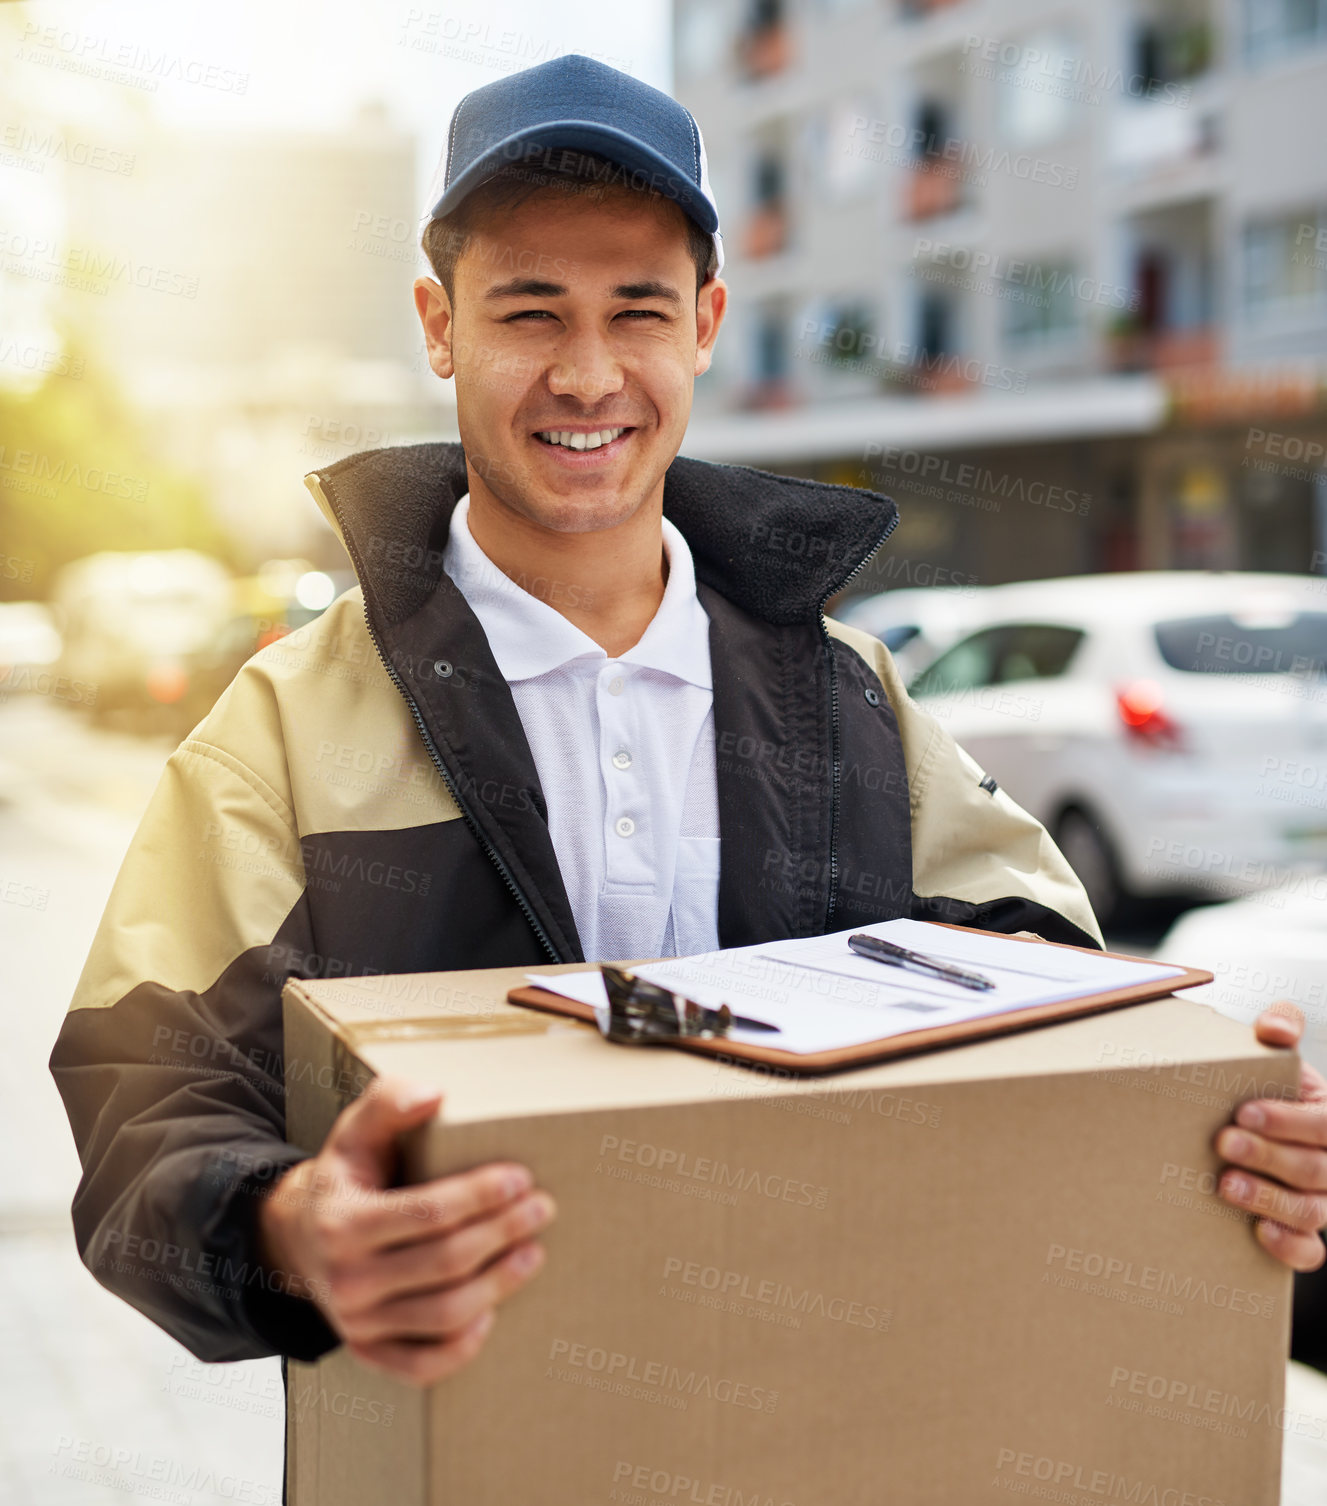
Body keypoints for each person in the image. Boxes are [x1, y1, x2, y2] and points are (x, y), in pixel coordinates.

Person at [50, 55, 1326, 1396]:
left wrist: (1215, 1137)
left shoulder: (845, 702)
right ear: (440, 326)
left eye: (638, 312)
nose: (589, 374)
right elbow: (146, 1095)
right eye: (530, 313)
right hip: (472, 1443)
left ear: (707, 322)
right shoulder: (291, 725)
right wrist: (286, 1229)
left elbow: (1049, 1002)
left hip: (820, 1430)